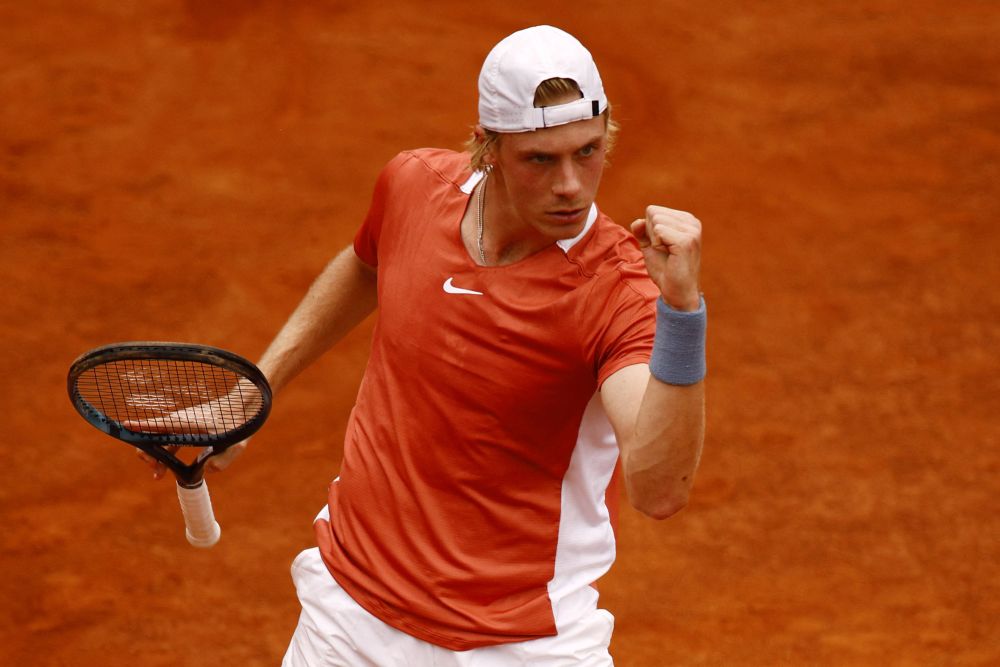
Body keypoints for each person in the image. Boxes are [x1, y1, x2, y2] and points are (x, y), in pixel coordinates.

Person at [151, 24, 706, 665]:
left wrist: (682, 316)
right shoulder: (413, 187)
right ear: (487, 148)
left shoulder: (617, 290)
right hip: (348, 616)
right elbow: (368, 262)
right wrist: (260, 387)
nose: (571, 186)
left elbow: (661, 489)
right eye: (540, 160)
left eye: (587, 151)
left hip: (515, 644)